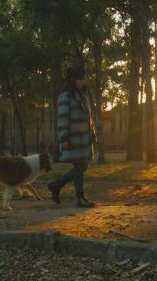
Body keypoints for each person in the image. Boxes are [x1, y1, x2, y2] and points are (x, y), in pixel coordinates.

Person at [47, 66, 97, 207]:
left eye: (83, 78)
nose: (83, 81)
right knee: (79, 166)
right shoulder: (65, 96)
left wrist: (92, 134)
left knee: (82, 166)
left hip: (83, 138)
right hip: (73, 138)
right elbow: (63, 118)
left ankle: (56, 185)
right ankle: (80, 198)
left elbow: (88, 118)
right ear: (73, 80)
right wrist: (63, 138)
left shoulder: (82, 95)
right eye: (80, 78)